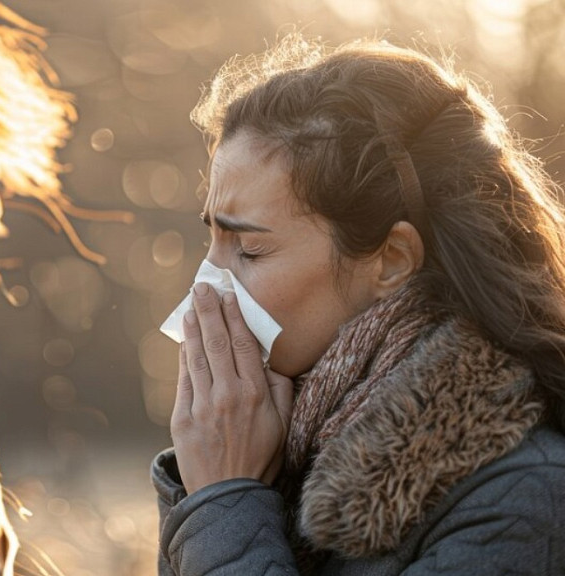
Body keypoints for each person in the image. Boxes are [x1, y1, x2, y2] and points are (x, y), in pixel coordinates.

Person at [152, 35, 565, 575]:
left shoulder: (522, 500)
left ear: (391, 260)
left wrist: (225, 501)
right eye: (212, 241)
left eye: (249, 249)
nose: (204, 289)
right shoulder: (276, 439)